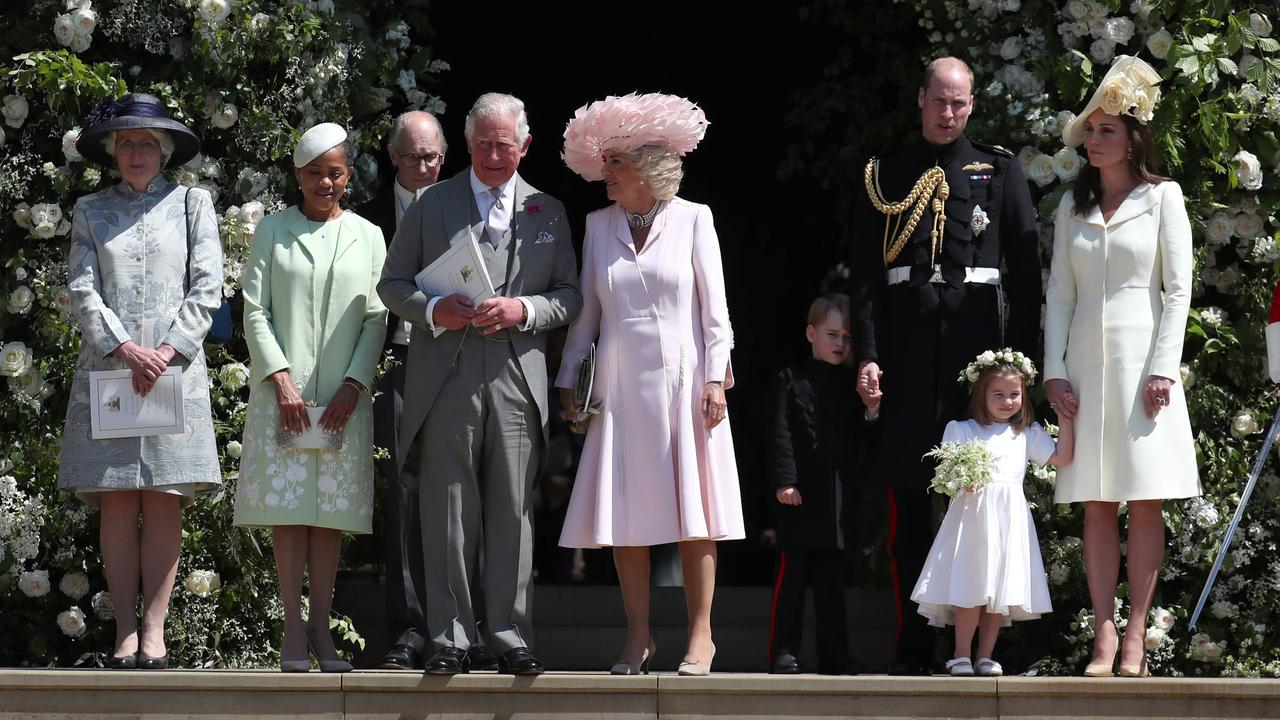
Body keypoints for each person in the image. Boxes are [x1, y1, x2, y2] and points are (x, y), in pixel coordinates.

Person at [378, 92, 582, 676]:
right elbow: (392, 284)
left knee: (513, 509)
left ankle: (509, 633)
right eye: (484, 143)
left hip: (519, 374)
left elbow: (569, 295)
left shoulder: (548, 209)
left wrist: (525, 310)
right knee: (447, 507)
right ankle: (448, 637)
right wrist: (434, 308)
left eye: (505, 144)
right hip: (447, 371)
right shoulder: (430, 204)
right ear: (466, 145)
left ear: (525, 147)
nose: (494, 154)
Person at [850, 56, 1042, 674]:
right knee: (909, 504)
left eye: (959, 103)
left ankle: (983, 646)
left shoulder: (1000, 170)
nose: (949, 113)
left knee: (983, 504)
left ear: (972, 104)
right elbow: (865, 277)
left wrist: (1020, 364)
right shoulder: (886, 172)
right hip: (906, 354)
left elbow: (1026, 271)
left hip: (976, 357)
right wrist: (870, 354)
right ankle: (913, 641)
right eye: (940, 101)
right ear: (921, 99)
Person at [557, 92, 743, 676]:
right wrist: (569, 380)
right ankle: (638, 637)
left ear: (646, 167)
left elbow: (717, 315)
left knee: (695, 515)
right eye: (604, 161)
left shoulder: (695, 218)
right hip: (618, 387)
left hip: (686, 386)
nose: (603, 173)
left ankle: (700, 635)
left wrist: (716, 379)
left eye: (614, 163)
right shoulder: (596, 225)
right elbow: (588, 313)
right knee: (624, 521)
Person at [1045, 55, 1200, 678]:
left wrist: (1164, 367)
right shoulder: (1070, 207)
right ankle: (1103, 636)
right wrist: (1052, 369)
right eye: (1090, 131)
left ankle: (1136, 633)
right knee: (1094, 503)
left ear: (1134, 137)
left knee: (1142, 501)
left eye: (1106, 130)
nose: (1094, 140)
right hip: (1084, 363)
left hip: (1143, 368)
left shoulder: (1164, 197)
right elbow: (1059, 291)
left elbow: (1179, 287)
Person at [59, 93, 224, 670]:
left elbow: (208, 287)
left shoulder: (193, 204)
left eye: (147, 143)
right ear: (111, 150)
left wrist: (166, 350)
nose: (137, 152)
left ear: (166, 150)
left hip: (173, 372)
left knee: (164, 500)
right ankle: (124, 632)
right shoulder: (90, 209)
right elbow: (82, 287)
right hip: (111, 371)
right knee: (116, 503)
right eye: (126, 142)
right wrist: (126, 348)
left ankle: (154, 632)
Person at [234, 123, 388, 673]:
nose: (326, 181)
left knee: (329, 519)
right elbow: (255, 308)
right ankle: (293, 631)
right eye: (315, 172)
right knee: (290, 513)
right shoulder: (272, 231)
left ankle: (322, 630)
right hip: (285, 396)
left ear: (348, 175)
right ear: (298, 175)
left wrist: (354, 383)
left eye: (336, 172)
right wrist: (279, 379)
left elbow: (376, 315)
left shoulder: (369, 235)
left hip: (345, 397)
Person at [356, 110, 490, 671]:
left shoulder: (469, 211)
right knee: (404, 496)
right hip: (396, 363)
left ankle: (474, 625)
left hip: (461, 363)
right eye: (412, 157)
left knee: (469, 491)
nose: (424, 167)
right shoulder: (364, 220)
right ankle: (411, 628)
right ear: (391, 158)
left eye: (433, 156)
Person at [911, 349, 1074, 677]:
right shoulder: (961, 429)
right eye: (997, 394)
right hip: (973, 518)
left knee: (1000, 589)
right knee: (971, 586)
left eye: (1014, 394)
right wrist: (963, 482)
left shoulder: (1025, 433)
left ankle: (985, 655)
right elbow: (946, 471)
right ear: (980, 394)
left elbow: (1063, 458)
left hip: (1008, 521)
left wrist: (1066, 421)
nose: (1007, 401)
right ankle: (960, 655)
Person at [766, 294, 878, 675]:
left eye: (847, 337)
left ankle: (834, 653)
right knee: (793, 579)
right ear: (811, 333)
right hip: (799, 497)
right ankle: (784, 650)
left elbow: (862, 438)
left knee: (832, 583)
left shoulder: (850, 384)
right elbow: (779, 435)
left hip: (836, 498)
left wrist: (871, 408)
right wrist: (785, 481)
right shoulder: (789, 378)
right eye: (832, 334)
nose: (840, 344)